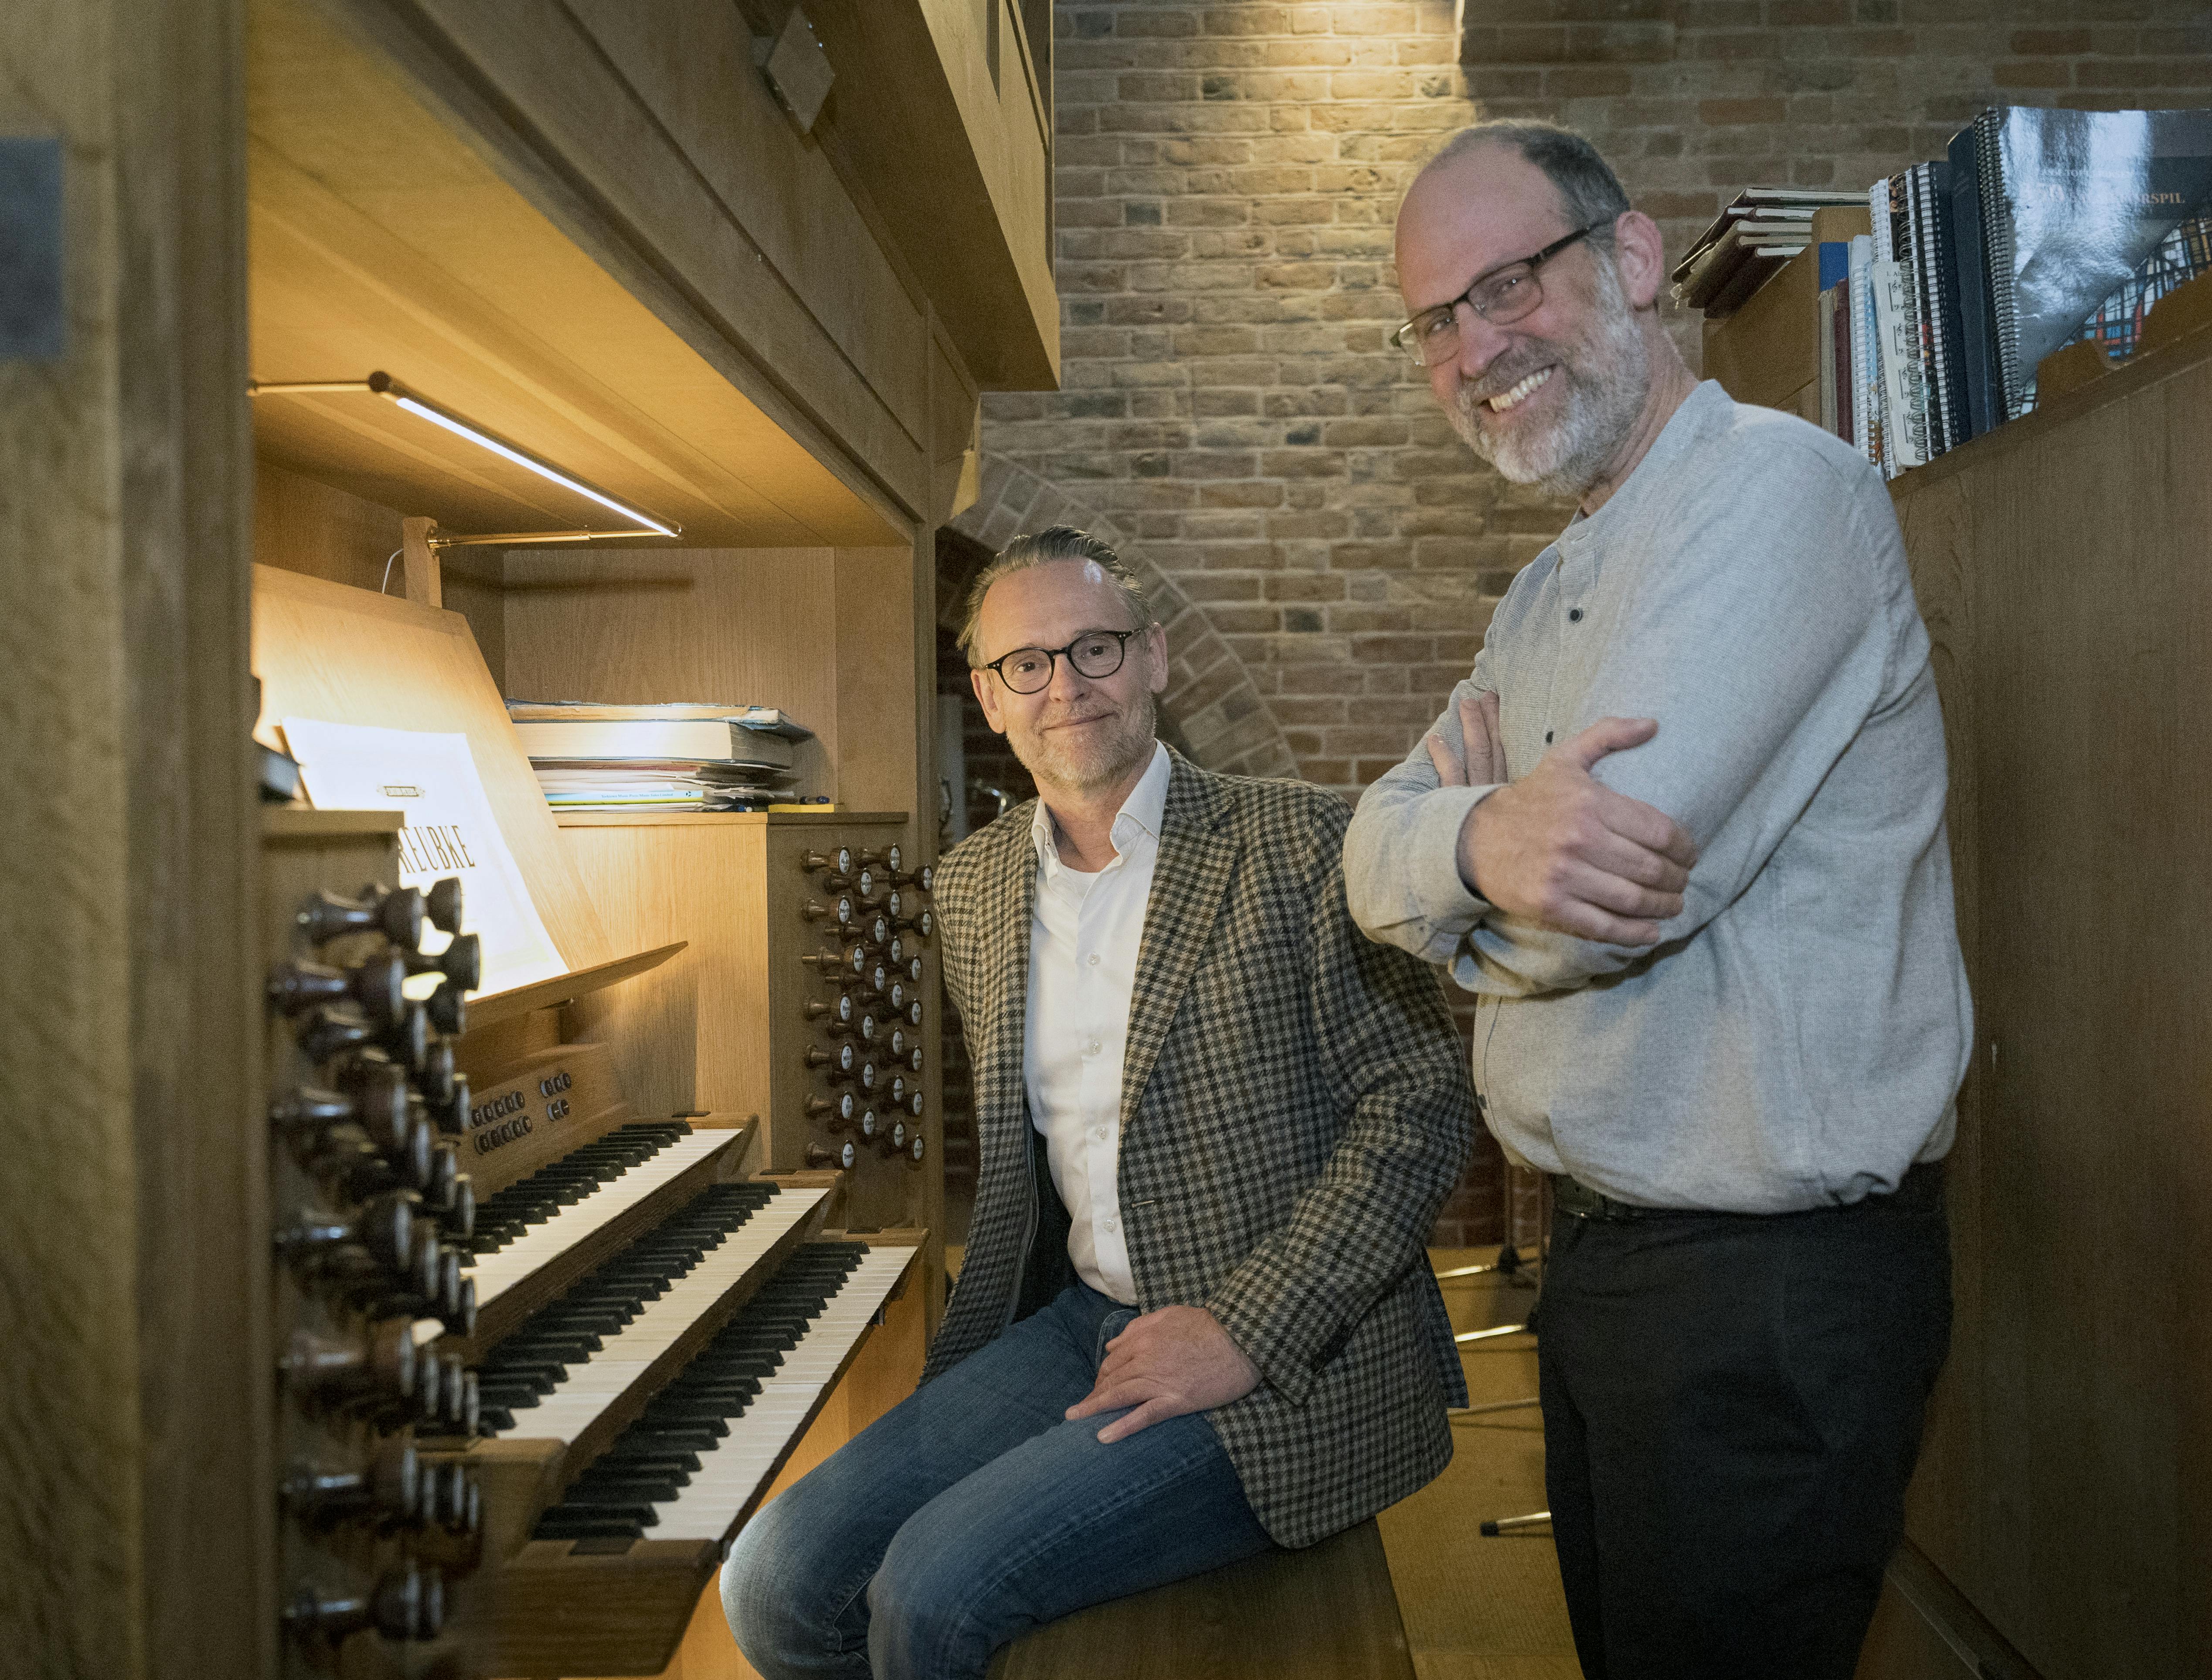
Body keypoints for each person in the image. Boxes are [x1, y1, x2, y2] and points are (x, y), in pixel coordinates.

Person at [1341, 121, 1973, 1679]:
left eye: (1507, 286)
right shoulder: (1541, 587)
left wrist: (1461, 869)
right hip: (1611, 1260)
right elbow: (1364, 855)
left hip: (1765, 1293)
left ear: (1630, 262)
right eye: (1437, 322)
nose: (1476, 348)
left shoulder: (1781, 496)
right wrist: (1486, 846)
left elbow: (1608, 901)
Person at [722, 526, 1476, 1680]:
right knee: (774, 1577)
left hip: (1286, 1349)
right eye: (1028, 662)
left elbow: (1419, 1105)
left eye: (1096, 648)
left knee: (928, 1593)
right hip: (1089, 1321)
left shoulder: (1306, 843)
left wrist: (1244, 1326)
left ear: (1156, 658)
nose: (1066, 686)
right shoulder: (971, 886)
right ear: (986, 696)